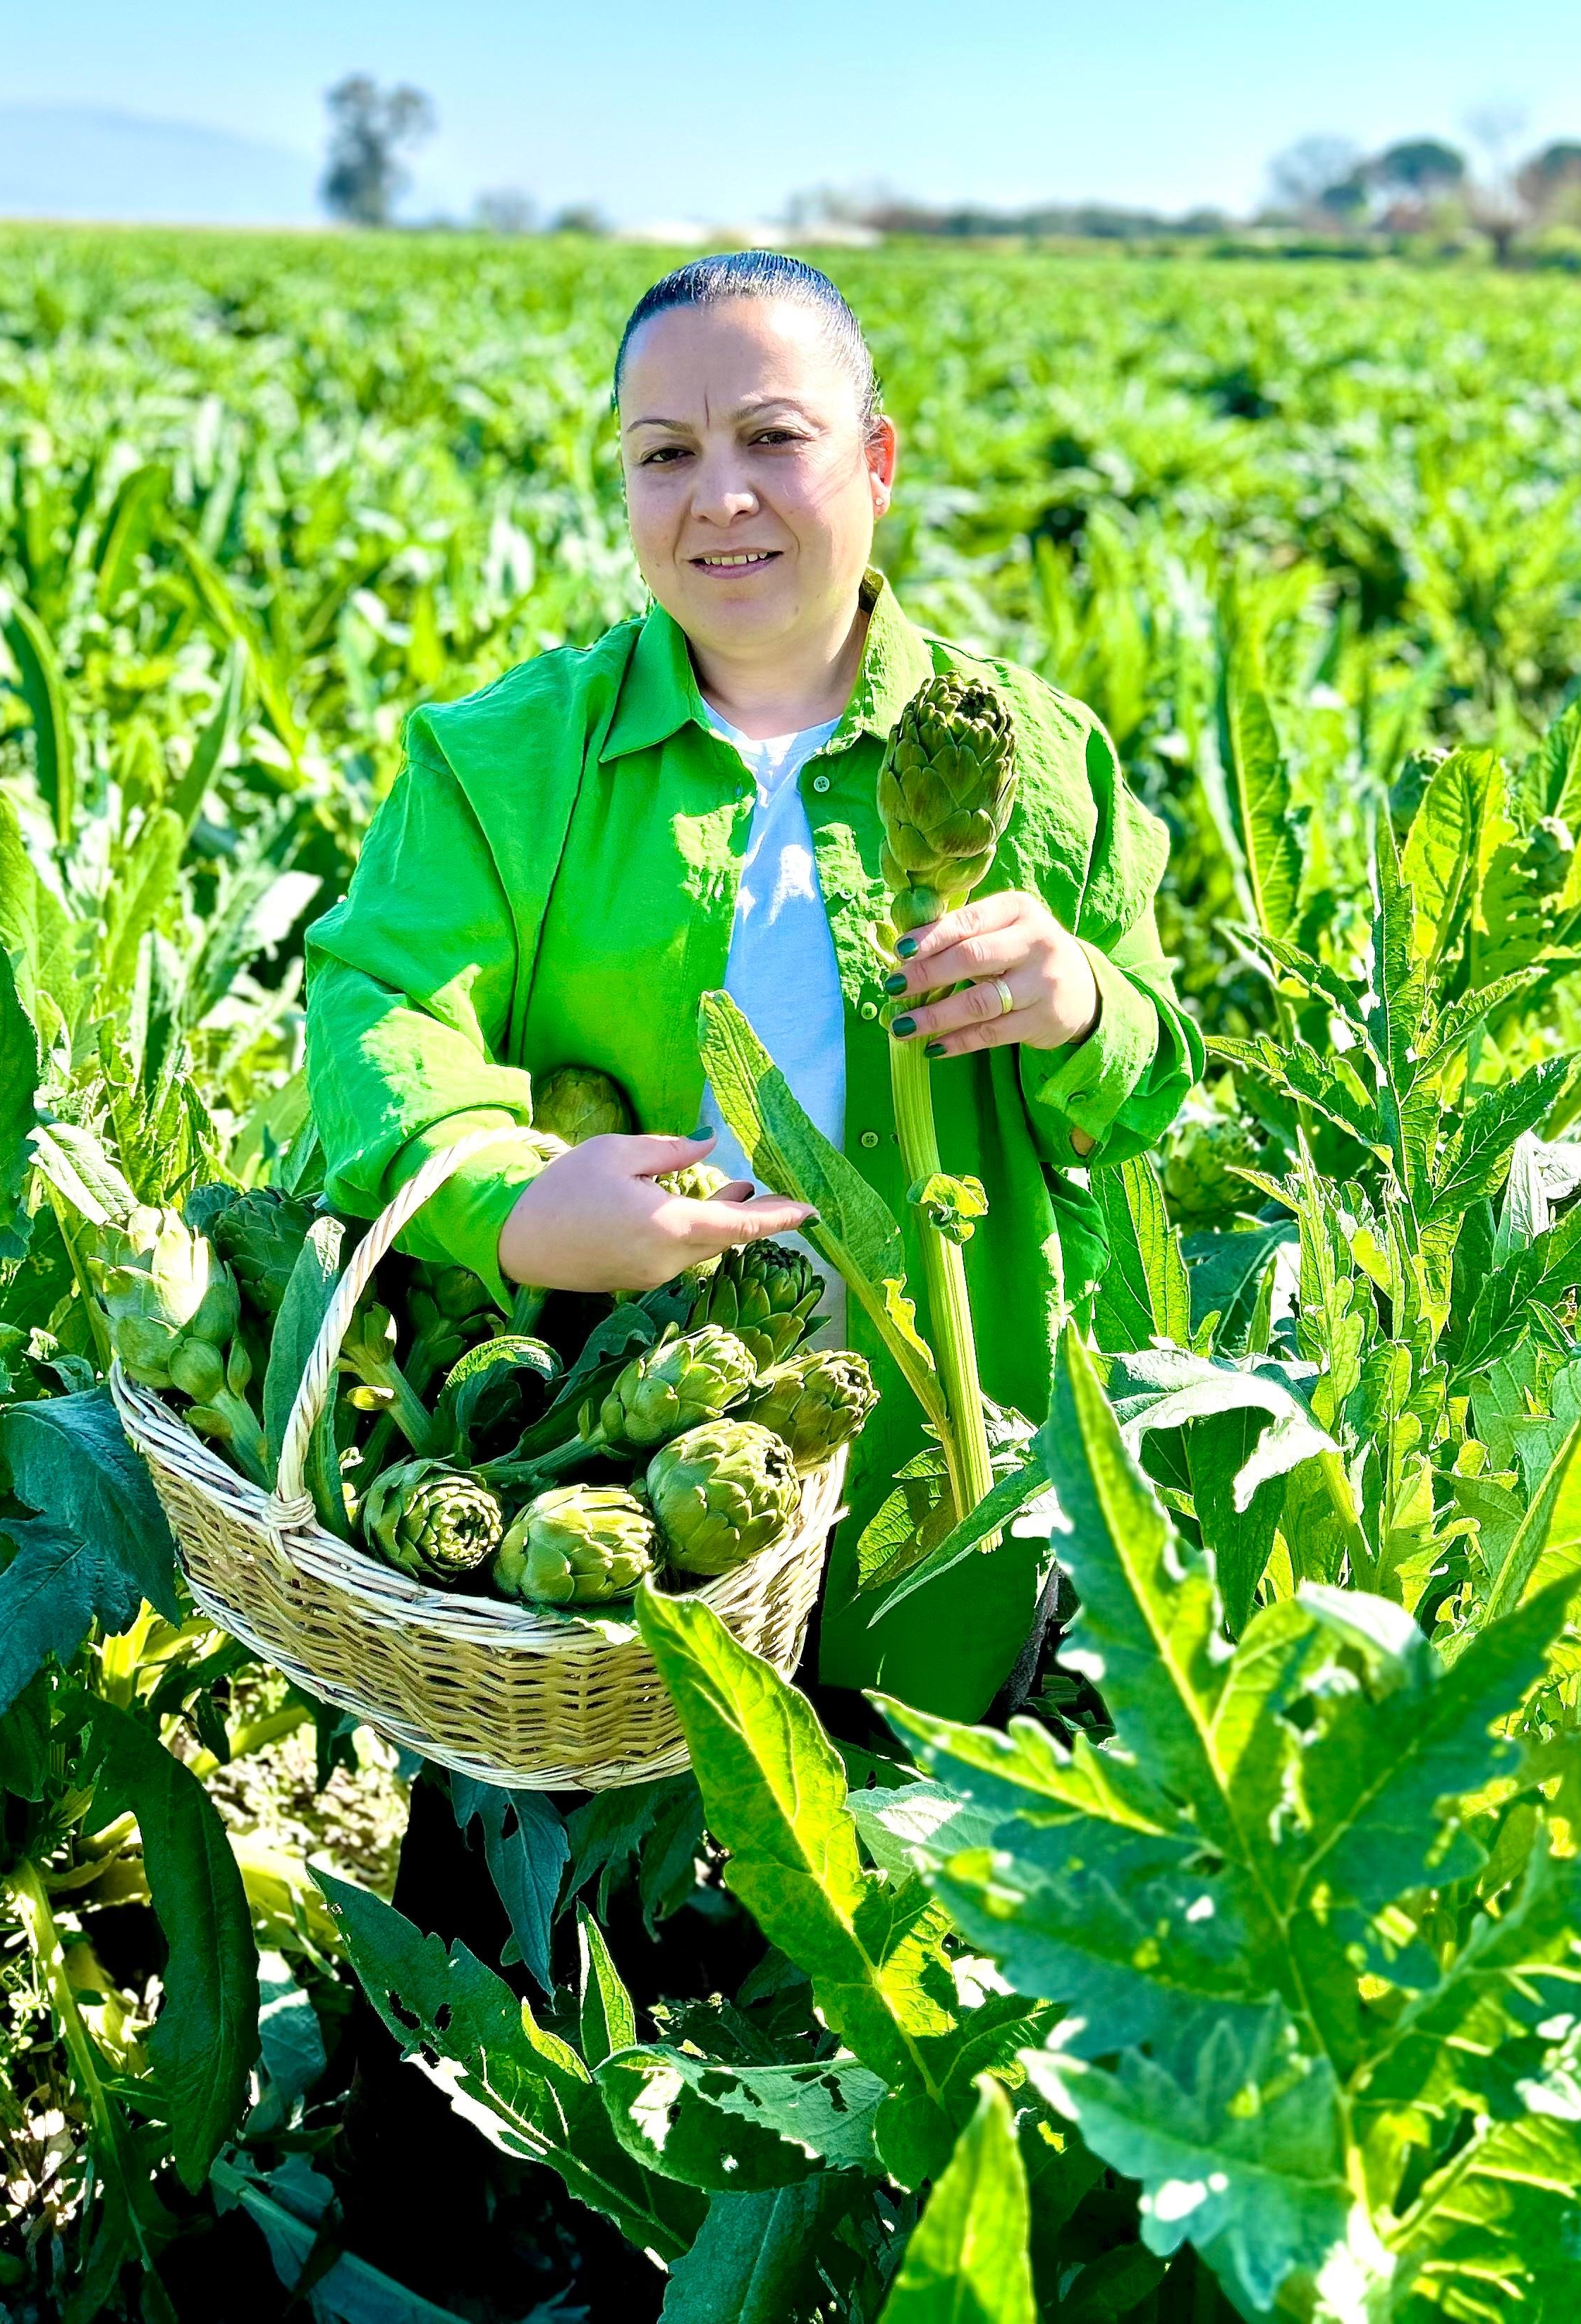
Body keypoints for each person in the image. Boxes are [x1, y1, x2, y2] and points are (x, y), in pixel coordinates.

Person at [304, 251, 1199, 1722]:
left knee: (896, 1828)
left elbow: (1159, 1079)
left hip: (933, 1450)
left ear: (878, 461)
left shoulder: (1040, 758)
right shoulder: (502, 762)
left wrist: (1086, 1003)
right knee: (564, 1893)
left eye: (774, 439)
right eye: (666, 457)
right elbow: (380, 1004)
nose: (720, 496)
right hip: (582, 1463)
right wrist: (510, 1201)